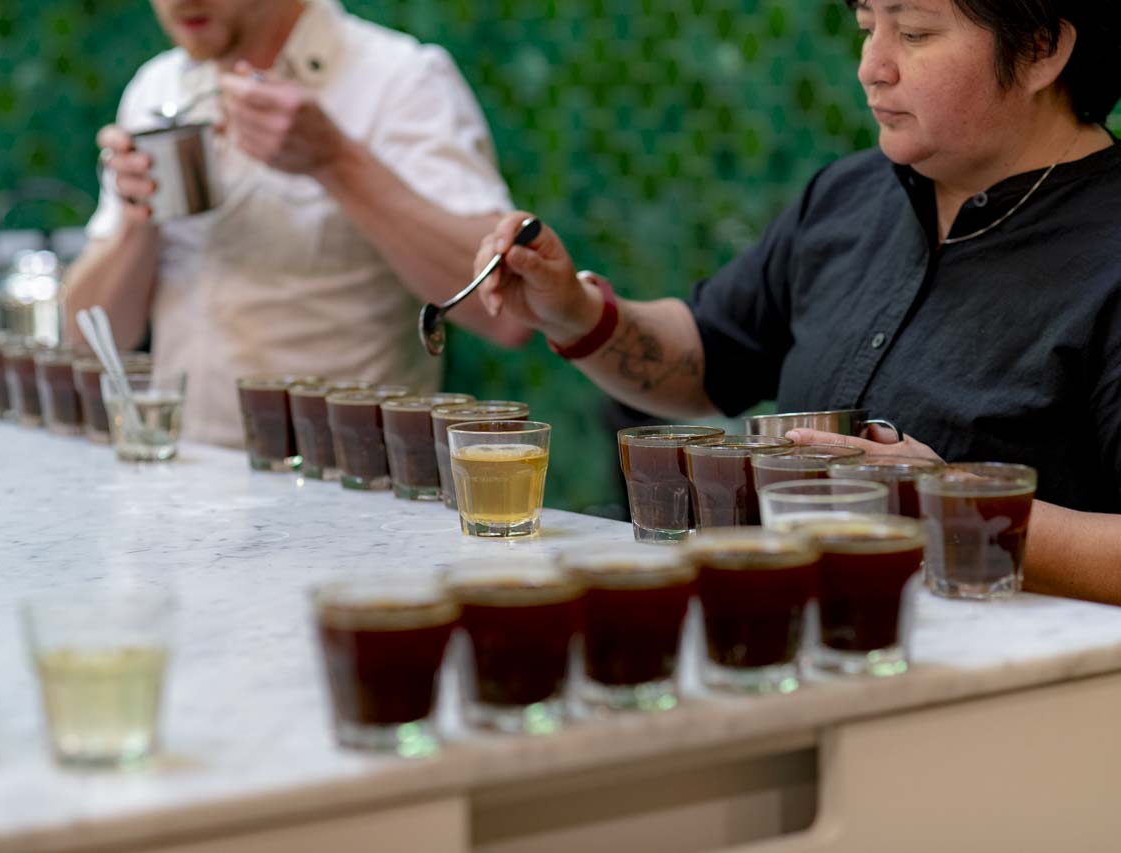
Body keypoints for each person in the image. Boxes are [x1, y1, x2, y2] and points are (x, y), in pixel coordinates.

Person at [473, 0, 1121, 604]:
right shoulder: (851, 195)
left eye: (916, 33)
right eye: (868, 28)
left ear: (1041, 48)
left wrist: (953, 508)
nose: (873, 67)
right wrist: (574, 312)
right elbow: (707, 357)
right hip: (807, 639)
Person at [65, 0, 529, 446]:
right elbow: (87, 340)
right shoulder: (157, 87)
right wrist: (135, 219)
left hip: (350, 486)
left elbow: (507, 314)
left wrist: (336, 162)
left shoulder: (400, 79)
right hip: (187, 480)